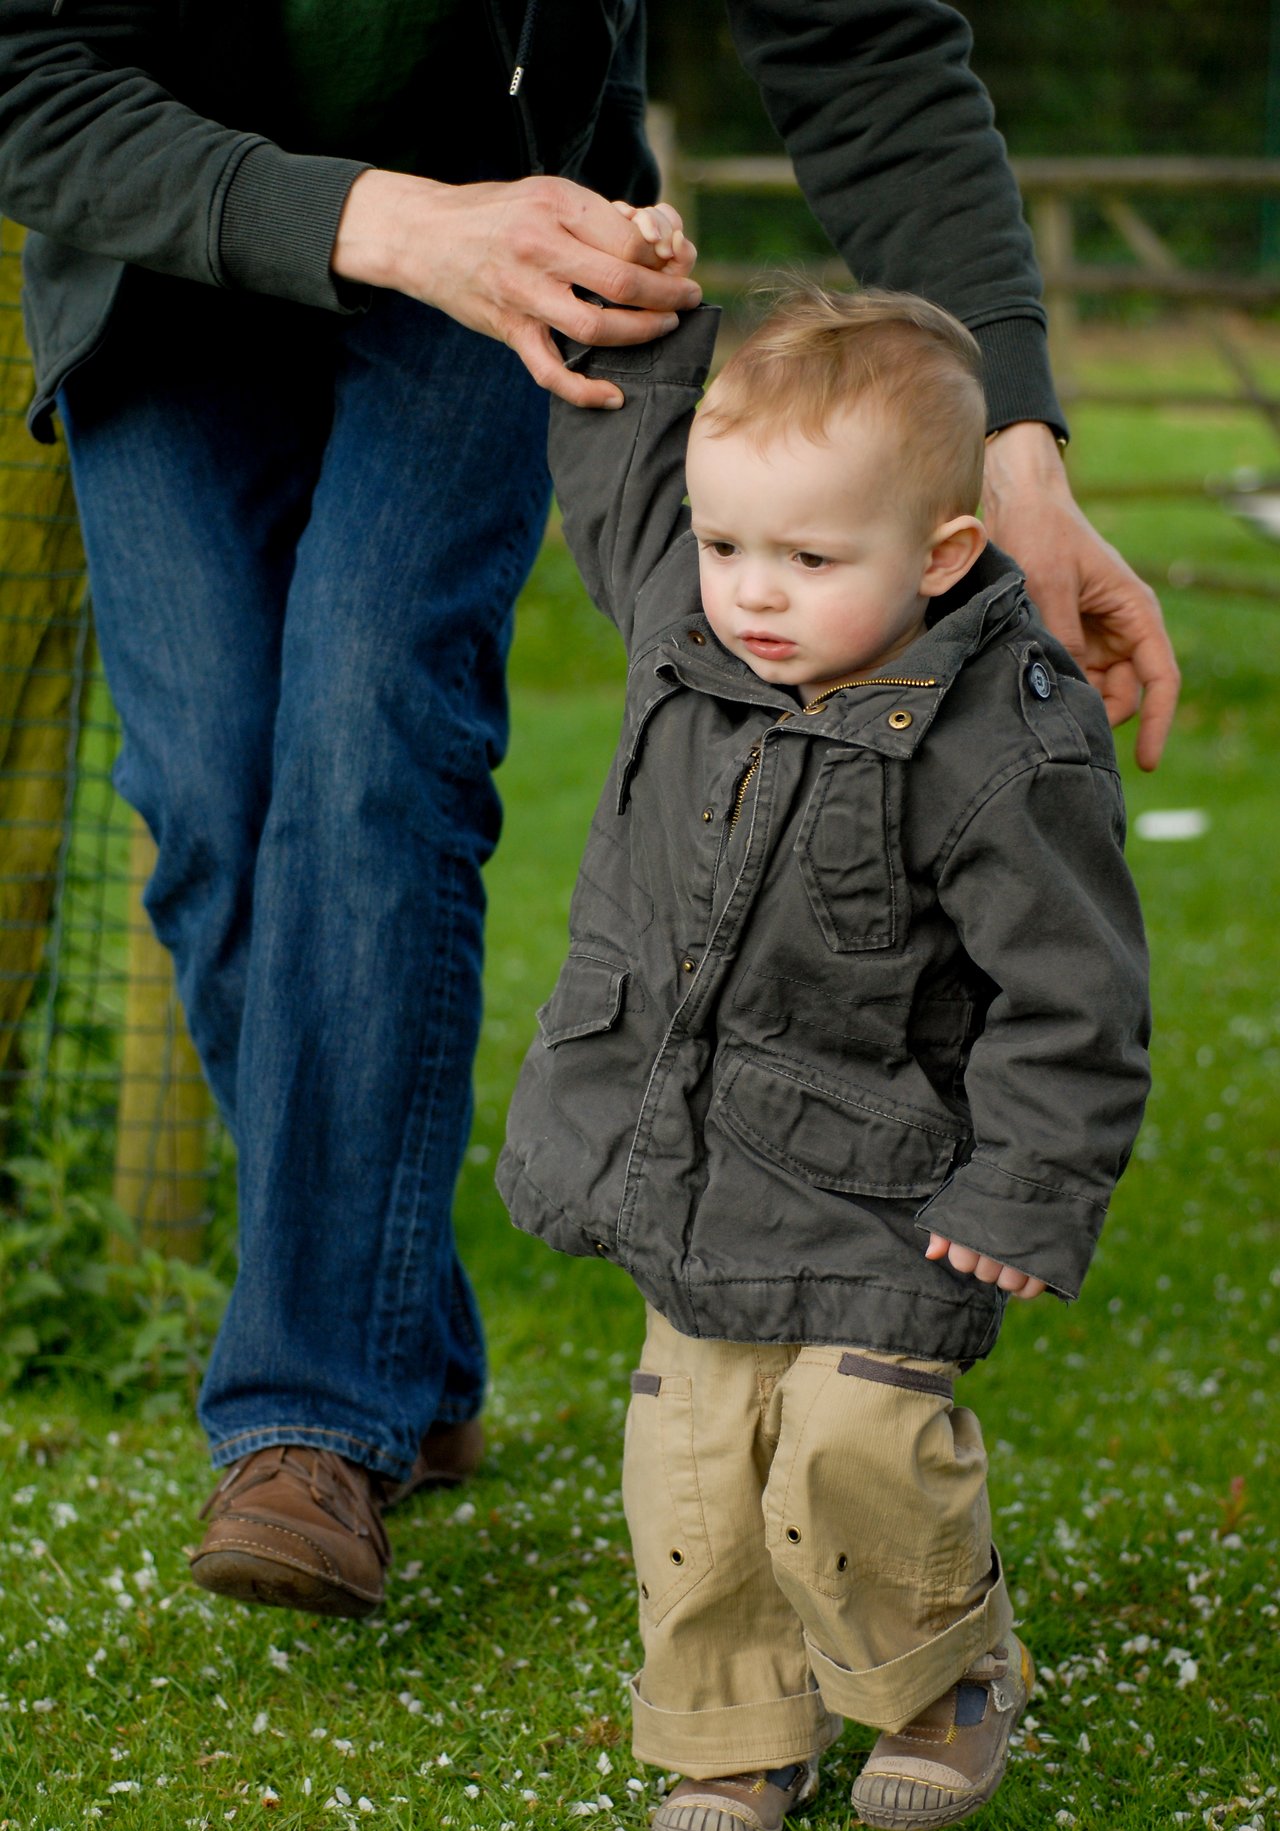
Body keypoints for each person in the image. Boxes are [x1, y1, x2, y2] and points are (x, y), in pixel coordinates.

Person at [0, 1, 1173, 1616]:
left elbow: (868, 50)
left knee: (369, 747)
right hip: (156, 242)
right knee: (213, 814)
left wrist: (1022, 456)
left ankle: (311, 1420)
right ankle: (403, 1331)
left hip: (523, 225)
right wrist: (389, 220)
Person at [496, 259, 1152, 1831]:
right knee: (694, 1461)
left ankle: (945, 1681)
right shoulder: (686, 619)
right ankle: (734, 1734)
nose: (753, 591)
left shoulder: (1003, 739)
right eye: (728, 545)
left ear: (942, 555)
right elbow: (627, 453)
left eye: (807, 555)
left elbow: (1075, 998)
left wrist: (1024, 1193)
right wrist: (620, 303)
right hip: (693, 1155)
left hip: (889, 1178)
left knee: (858, 1442)